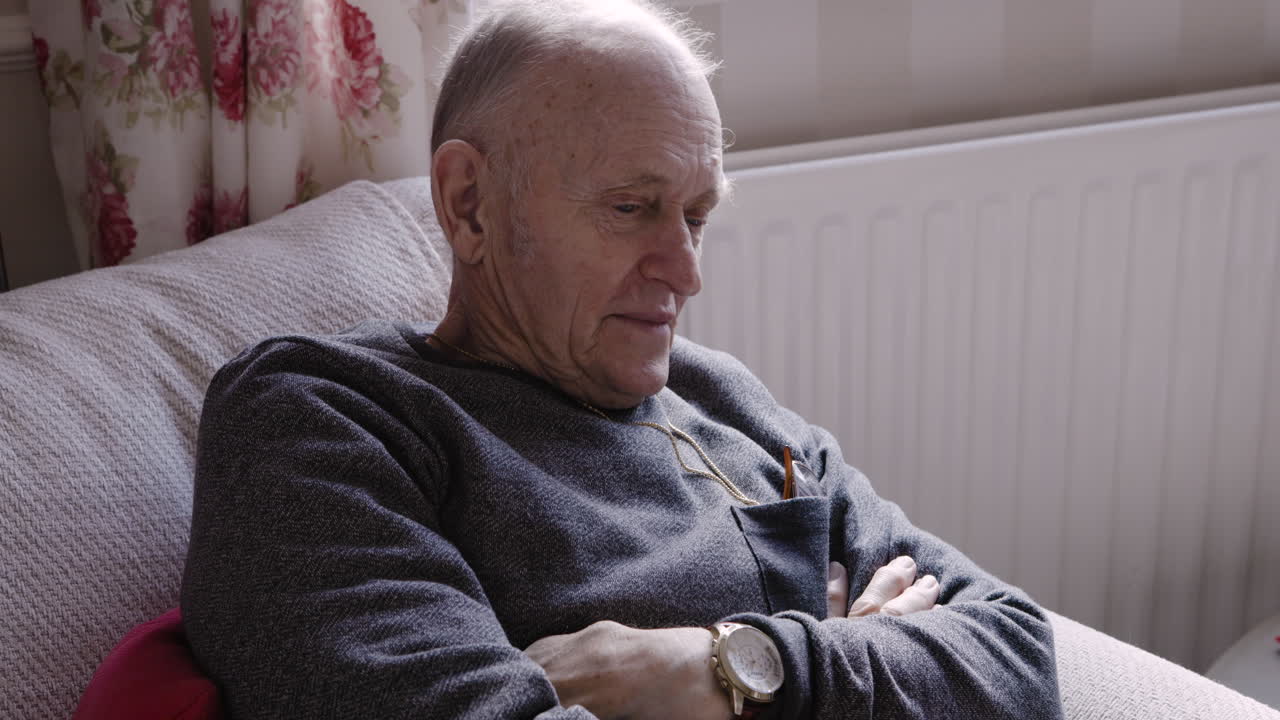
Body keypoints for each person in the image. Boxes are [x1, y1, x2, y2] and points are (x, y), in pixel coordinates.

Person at [180, 1, 1064, 718]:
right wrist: (847, 650)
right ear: (471, 204)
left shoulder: (727, 403)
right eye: (632, 207)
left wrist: (729, 668)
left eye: (697, 216)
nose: (687, 272)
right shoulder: (323, 415)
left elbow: (1017, 659)